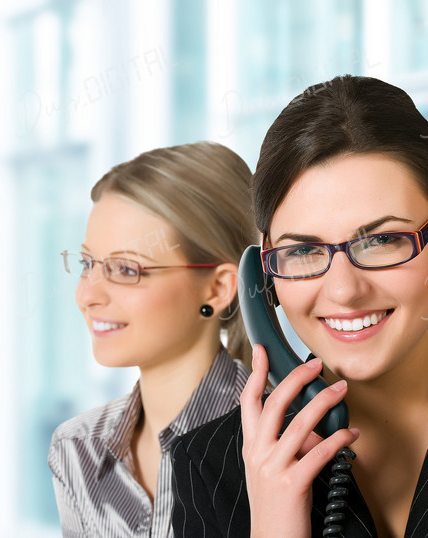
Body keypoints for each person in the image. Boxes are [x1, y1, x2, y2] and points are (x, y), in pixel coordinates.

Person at [170, 75, 428, 537]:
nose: (344, 291)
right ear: (265, 275)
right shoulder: (209, 467)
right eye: (302, 251)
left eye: (381, 241)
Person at [48, 142, 259, 537]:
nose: (87, 295)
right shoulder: (76, 448)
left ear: (218, 288)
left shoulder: (276, 440)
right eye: (87, 264)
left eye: (126, 269)